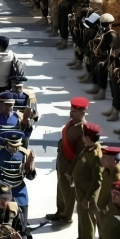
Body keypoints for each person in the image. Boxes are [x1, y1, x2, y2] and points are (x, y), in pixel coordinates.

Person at [46, 96, 89, 224]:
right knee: (61, 188)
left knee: (68, 191)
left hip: (70, 164)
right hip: (63, 159)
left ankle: (66, 216)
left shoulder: (82, 130)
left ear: (82, 113)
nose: (71, 112)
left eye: (75, 111)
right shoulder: (71, 122)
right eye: (71, 109)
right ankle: (60, 211)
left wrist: (71, 171)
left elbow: (79, 153)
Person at [66, 122, 103, 239]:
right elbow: (78, 163)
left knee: (87, 221)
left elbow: (98, 180)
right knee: (81, 217)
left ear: (87, 137)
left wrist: (88, 198)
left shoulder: (95, 154)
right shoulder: (87, 149)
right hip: (80, 189)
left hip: (87, 192)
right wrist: (72, 175)